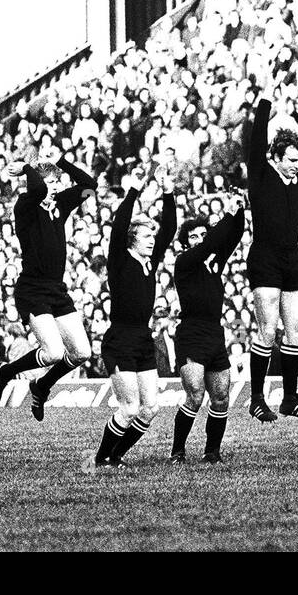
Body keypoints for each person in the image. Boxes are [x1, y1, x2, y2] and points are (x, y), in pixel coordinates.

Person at [0, 145, 98, 421]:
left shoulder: (60, 206)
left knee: (82, 352)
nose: (56, 189)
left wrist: (60, 161)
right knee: (53, 352)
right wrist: (27, 168)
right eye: (51, 183)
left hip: (56, 290)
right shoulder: (26, 205)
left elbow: (89, 185)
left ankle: (42, 385)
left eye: (57, 184)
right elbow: (36, 190)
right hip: (32, 290)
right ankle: (5, 372)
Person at [243, 83, 298, 423]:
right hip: (263, 258)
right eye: (291, 160)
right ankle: (256, 398)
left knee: (297, 329)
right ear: (275, 158)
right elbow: (256, 139)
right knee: (268, 330)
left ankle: (290, 398)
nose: (297, 165)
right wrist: (265, 95)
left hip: (291, 258)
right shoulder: (261, 174)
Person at [93, 172, 179, 469]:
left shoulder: (150, 261)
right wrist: (132, 191)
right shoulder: (119, 258)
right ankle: (102, 458)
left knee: (151, 408)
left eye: (152, 237)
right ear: (132, 240)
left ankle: (116, 456)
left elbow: (169, 228)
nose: (152, 240)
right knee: (129, 408)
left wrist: (168, 194)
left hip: (143, 338)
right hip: (120, 339)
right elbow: (119, 225)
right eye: (146, 236)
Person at [168, 193, 246, 463]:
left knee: (221, 397)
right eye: (194, 236)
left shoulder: (213, 262)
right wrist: (226, 213)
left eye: (203, 234)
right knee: (195, 394)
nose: (200, 239)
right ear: (185, 242)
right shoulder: (184, 262)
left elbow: (234, 236)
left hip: (214, 332)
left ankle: (212, 452)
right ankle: (177, 450)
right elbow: (212, 242)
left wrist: (239, 211)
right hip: (191, 332)